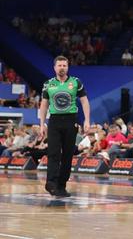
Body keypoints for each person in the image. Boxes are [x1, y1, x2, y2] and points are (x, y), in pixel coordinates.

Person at [38, 55, 90, 197]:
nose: (62, 68)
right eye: (59, 65)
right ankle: (51, 183)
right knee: (53, 153)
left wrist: (87, 120)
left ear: (68, 67)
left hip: (70, 120)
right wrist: (41, 124)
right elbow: (44, 105)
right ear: (54, 67)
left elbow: (85, 102)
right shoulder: (48, 84)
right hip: (54, 121)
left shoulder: (76, 82)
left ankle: (62, 186)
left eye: (64, 65)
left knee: (67, 155)